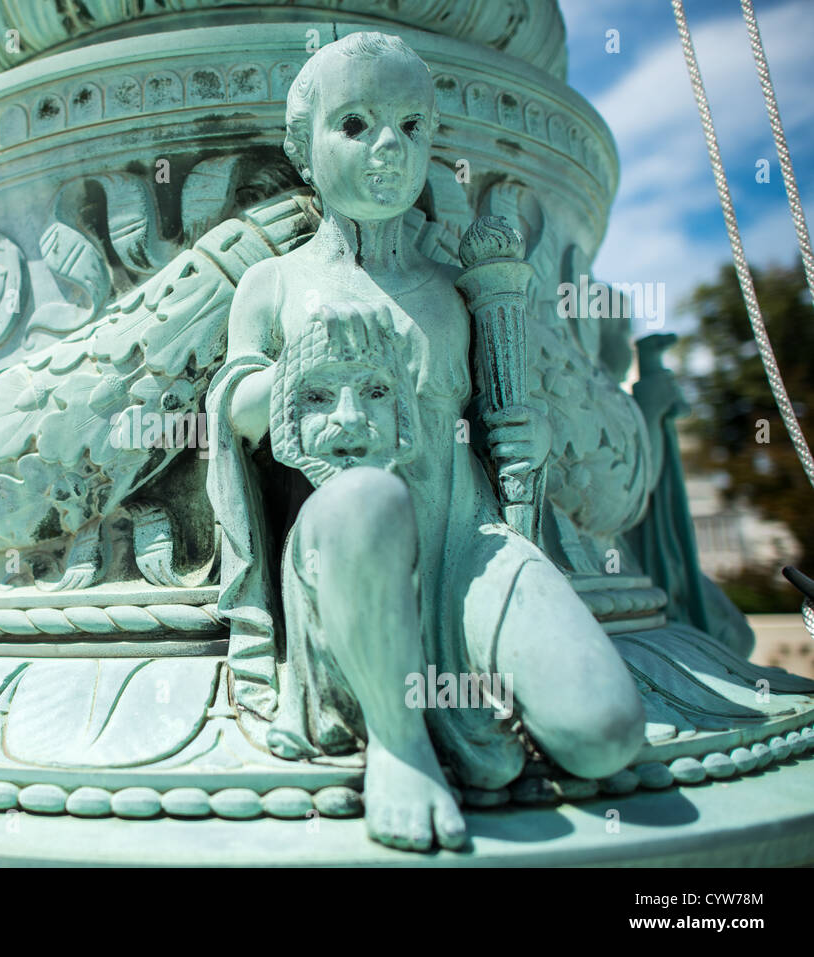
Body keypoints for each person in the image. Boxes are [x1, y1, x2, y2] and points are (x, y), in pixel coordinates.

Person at [205, 32, 645, 851]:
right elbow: (236, 408)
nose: (387, 149)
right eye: (358, 124)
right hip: (350, 551)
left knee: (606, 731)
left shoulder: (455, 285)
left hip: (470, 541)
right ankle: (400, 746)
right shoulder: (276, 283)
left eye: (412, 128)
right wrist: (305, 364)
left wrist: (533, 434)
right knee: (369, 492)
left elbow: (494, 420)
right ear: (303, 151)